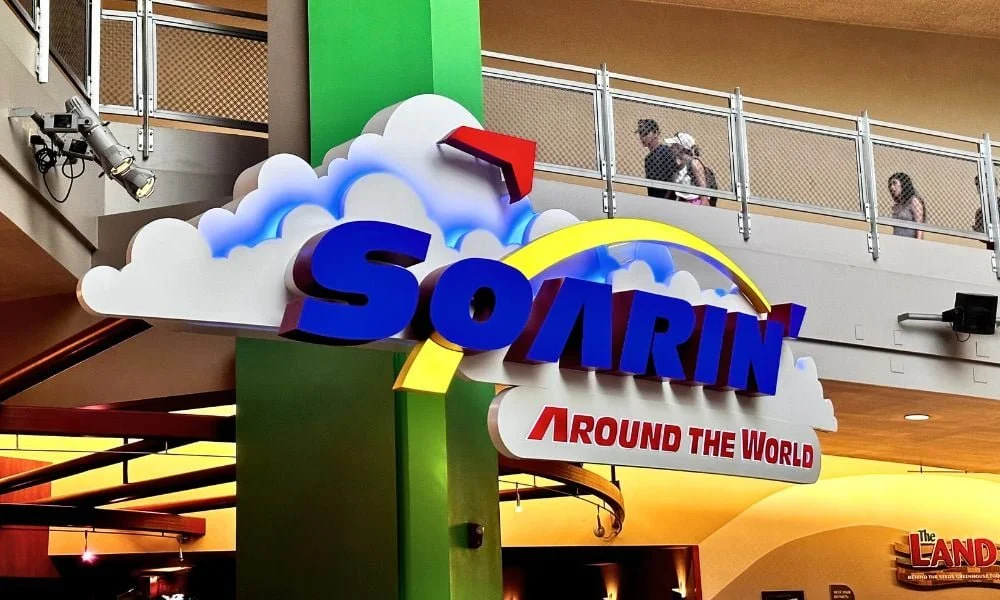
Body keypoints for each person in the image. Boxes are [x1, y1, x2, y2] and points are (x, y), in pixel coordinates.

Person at [636, 119, 681, 199]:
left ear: (656, 133)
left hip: (669, 199)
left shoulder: (666, 151)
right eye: (641, 133)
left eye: (646, 133)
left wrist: (666, 198)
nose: (642, 137)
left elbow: (674, 177)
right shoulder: (648, 159)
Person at [671, 132, 718, 207]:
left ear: (680, 147)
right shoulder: (680, 166)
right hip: (681, 202)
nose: (671, 147)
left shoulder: (694, 163)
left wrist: (703, 207)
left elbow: (703, 188)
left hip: (694, 204)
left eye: (674, 145)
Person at [888, 172, 926, 239]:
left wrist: (919, 243)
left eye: (894, 183)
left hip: (910, 241)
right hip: (897, 241)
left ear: (903, 184)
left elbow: (920, 227)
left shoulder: (913, 201)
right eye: (890, 184)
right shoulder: (898, 206)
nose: (891, 187)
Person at [972, 174, 999, 249]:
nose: (980, 188)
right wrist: (978, 231)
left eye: (986, 184)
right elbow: (984, 237)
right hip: (993, 250)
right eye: (978, 185)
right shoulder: (980, 212)